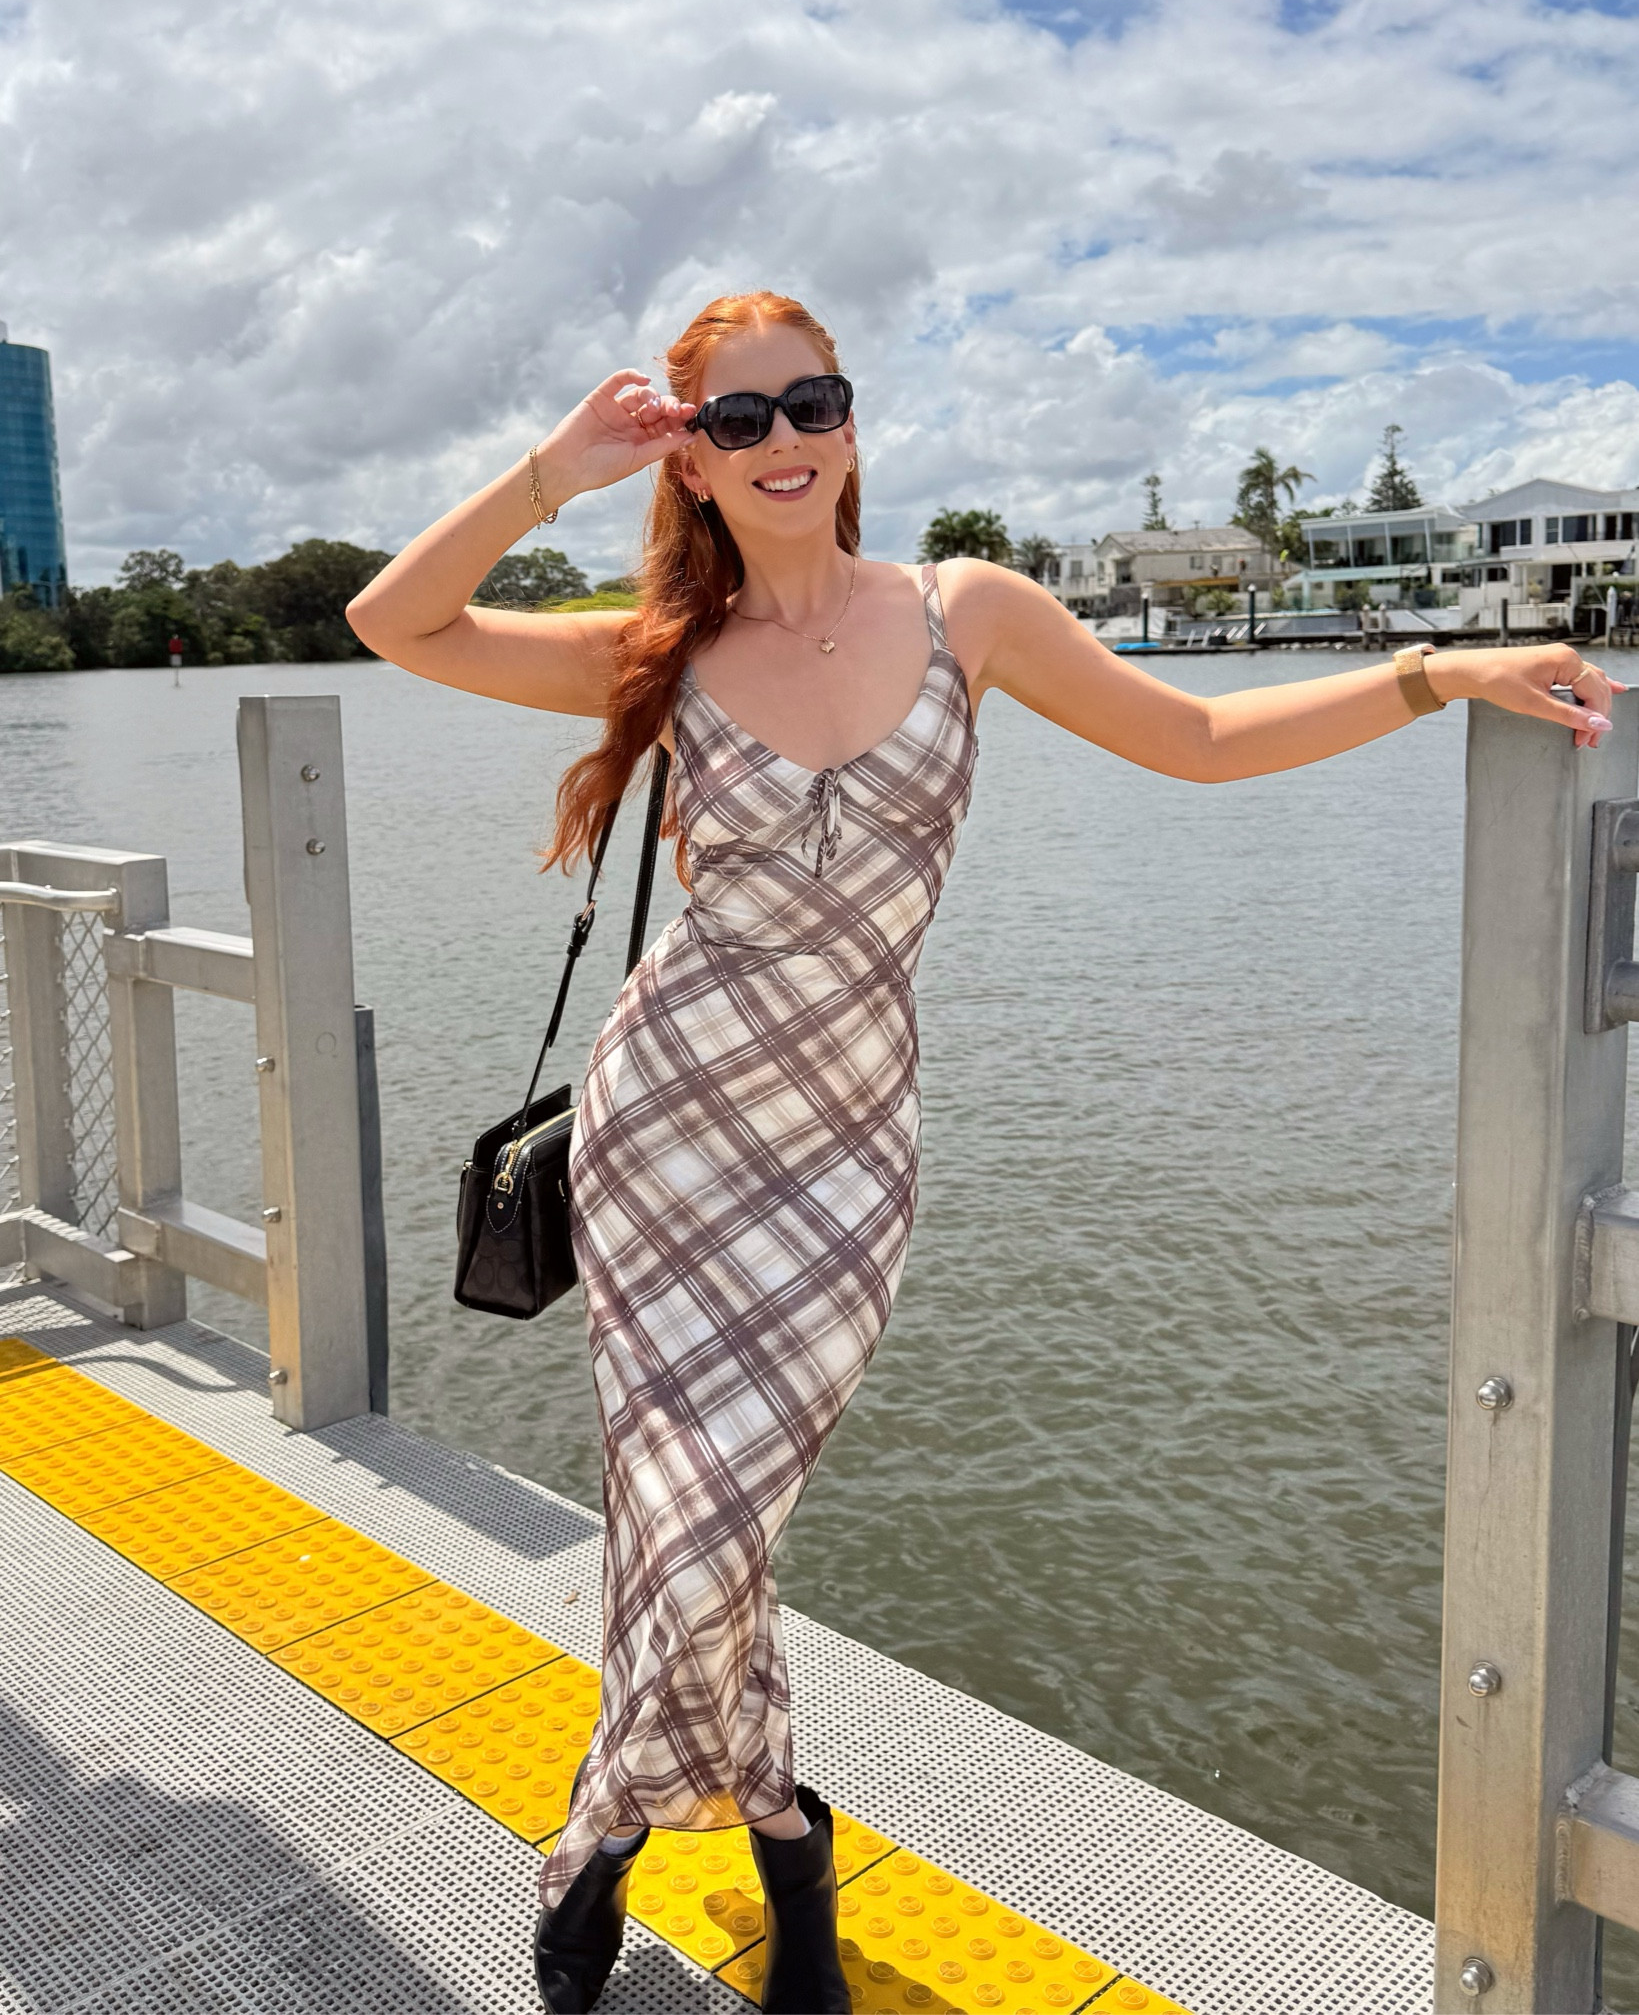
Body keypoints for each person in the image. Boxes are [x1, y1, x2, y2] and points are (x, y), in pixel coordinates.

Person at [348, 290, 1621, 2014]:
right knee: (684, 1528)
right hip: (663, 1139)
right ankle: (787, 1853)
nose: (784, 439)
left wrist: (1435, 671)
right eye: (739, 421)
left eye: (815, 404)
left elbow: (1203, 741)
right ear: (697, 461)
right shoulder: (655, 643)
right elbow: (393, 619)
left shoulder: (968, 614)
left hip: (848, 1157)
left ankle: (601, 1840)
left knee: (714, 1524)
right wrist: (554, 471)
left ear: (854, 428)